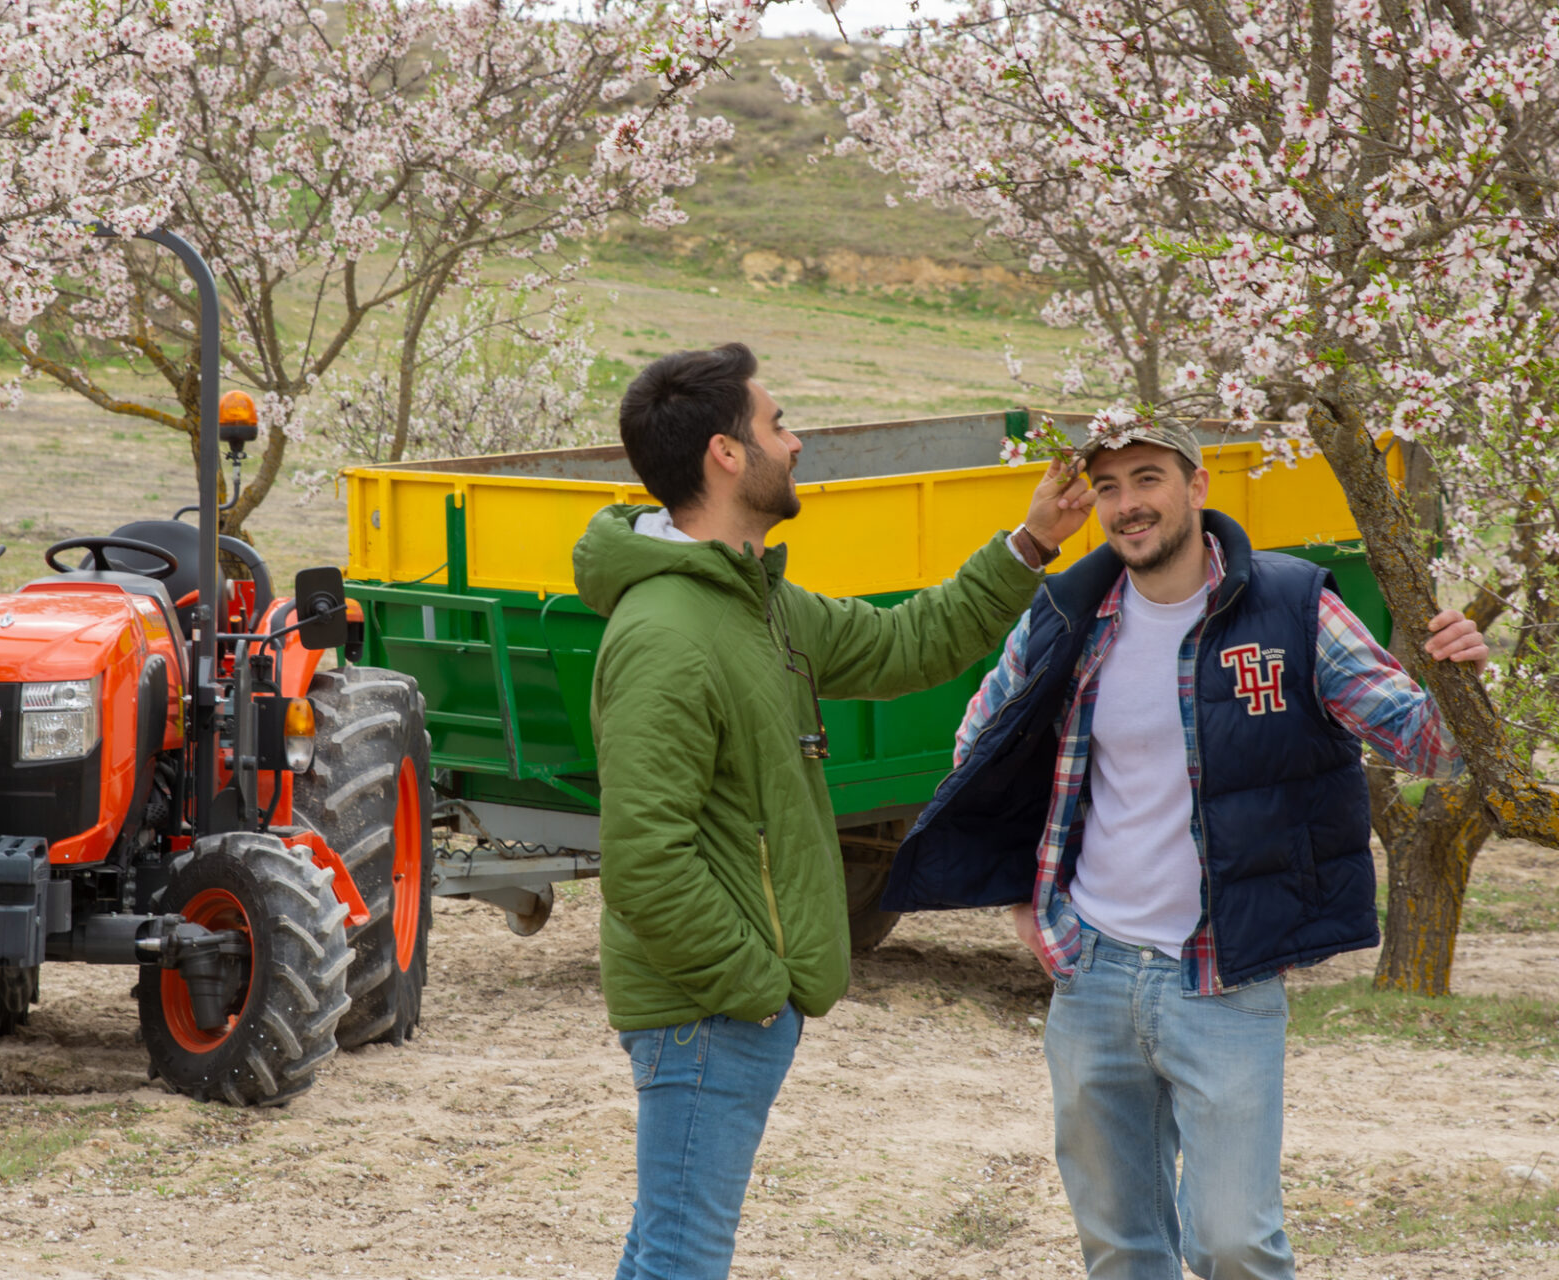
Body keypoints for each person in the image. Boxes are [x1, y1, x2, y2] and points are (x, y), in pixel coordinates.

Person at [881, 420, 1489, 1280]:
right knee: (1123, 1249)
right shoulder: (1068, 613)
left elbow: (1429, 747)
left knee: (1235, 1244)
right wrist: (1026, 899)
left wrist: (1459, 678)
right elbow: (980, 745)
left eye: (1147, 478)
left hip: (1226, 980)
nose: (1128, 504)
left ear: (1197, 486)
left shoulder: (1290, 606)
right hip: (1090, 973)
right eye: (1108, 487)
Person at [571, 341, 1096, 1280]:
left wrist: (1034, 543)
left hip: (726, 1007)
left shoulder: (754, 605)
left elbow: (907, 645)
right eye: (777, 424)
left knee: (667, 1245)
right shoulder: (665, 634)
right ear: (727, 455)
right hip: (706, 1009)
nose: (797, 440)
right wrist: (753, 985)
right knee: (684, 1257)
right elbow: (646, 857)